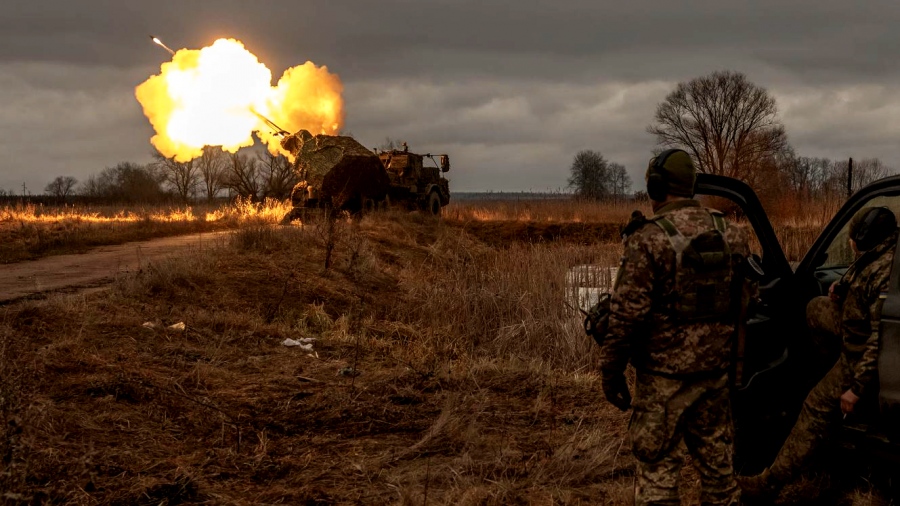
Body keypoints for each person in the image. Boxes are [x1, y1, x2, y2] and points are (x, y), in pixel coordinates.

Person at [600, 148, 754, 506]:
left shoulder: (649, 239)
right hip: (715, 377)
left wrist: (611, 372)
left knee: (657, 476)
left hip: (662, 383)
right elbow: (747, 302)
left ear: (656, 186)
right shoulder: (731, 234)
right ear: (692, 186)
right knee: (720, 476)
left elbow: (626, 317)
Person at [739, 206, 898, 502]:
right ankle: (826, 369)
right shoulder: (879, 253)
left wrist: (855, 388)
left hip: (863, 353)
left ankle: (769, 483)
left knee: (814, 406)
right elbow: (858, 277)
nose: (851, 243)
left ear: (864, 238)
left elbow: (881, 340)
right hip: (854, 329)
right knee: (816, 307)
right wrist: (841, 287)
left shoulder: (886, 274)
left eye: (854, 239)